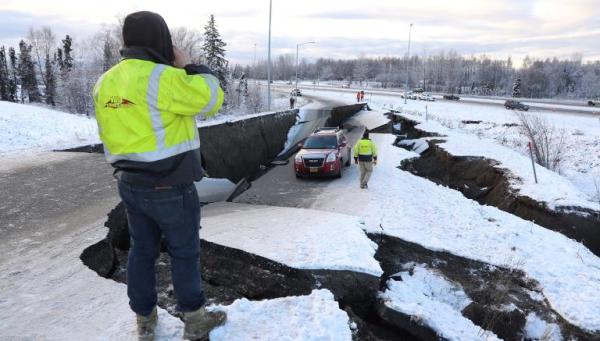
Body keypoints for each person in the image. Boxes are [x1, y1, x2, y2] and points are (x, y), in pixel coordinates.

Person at [92, 11, 226, 341]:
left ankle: (146, 323)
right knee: (184, 253)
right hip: (170, 186)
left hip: (130, 184)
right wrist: (190, 64)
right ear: (160, 39)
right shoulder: (163, 78)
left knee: (141, 251)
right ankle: (194, 321)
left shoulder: (105, 81)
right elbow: (212, 98)